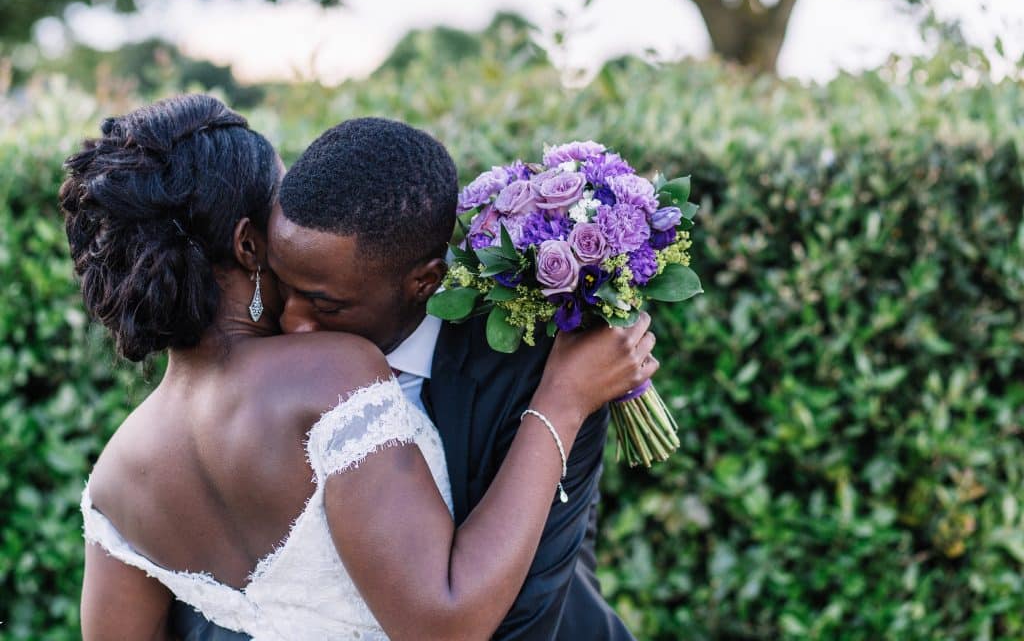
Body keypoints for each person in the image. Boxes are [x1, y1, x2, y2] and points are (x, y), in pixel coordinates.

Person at [68, 96, 657, 640]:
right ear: (251, 245)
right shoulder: (336, 371)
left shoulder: (115, 477)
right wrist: (563, 399)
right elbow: (444, 621)